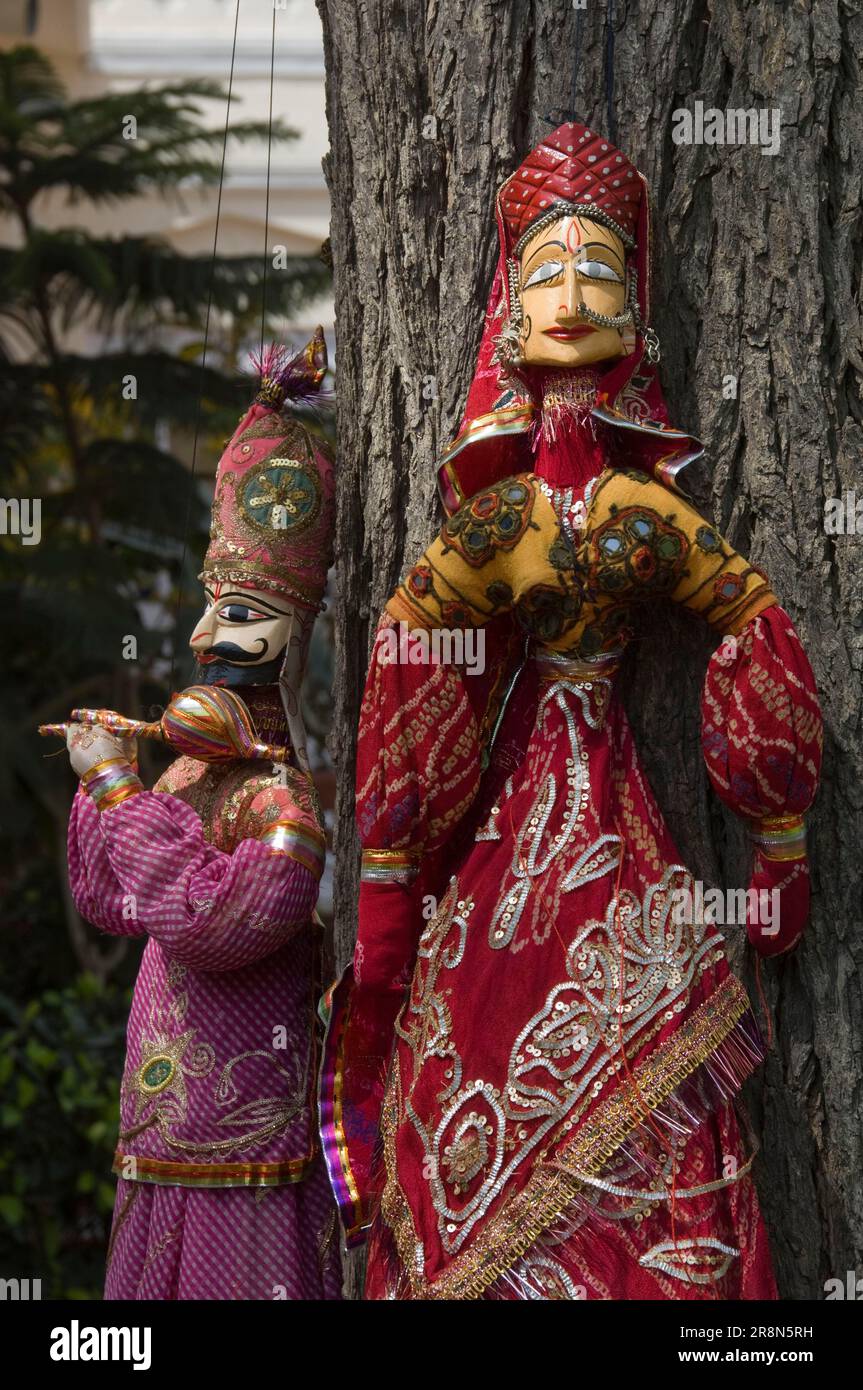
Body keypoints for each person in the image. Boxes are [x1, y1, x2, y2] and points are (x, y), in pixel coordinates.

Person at [319, 125, 823, 1300]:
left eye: (597, 272)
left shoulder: (648, 515)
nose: (567, 296)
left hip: (602, 813)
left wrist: (777, 825)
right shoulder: (495, 530)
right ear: (504, 318)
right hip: (531, 815)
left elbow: (750, 619)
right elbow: (412, 660)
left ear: (634, 323)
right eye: (543, 272)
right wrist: (390, 863)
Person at [57, 334, 342, 1299]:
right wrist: (111, 778)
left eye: (242, 617)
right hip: (160, 1132)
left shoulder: (280, 800)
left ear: (291, 638)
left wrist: (120, 792)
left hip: (244, 1147)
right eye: (211, 610)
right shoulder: (188, 779)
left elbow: (209, 925)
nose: (204, 638)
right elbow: (109, 899)